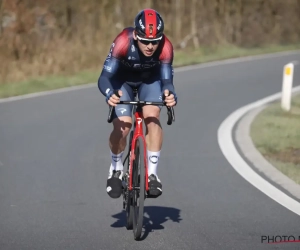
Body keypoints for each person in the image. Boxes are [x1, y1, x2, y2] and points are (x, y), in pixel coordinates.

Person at [98, 9, 177, 199]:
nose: (150, 46)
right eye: (145, 41)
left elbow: (167, 82)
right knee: (123, 126)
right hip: (122, 82)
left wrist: (170, 95)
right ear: (136, 35)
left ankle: (152, 174)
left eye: (154, 41)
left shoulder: (166, 47)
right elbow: (105, 77)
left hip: (150, 82)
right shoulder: (123, 41)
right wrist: (110, 94)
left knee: (152, 117)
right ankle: (116, 169)